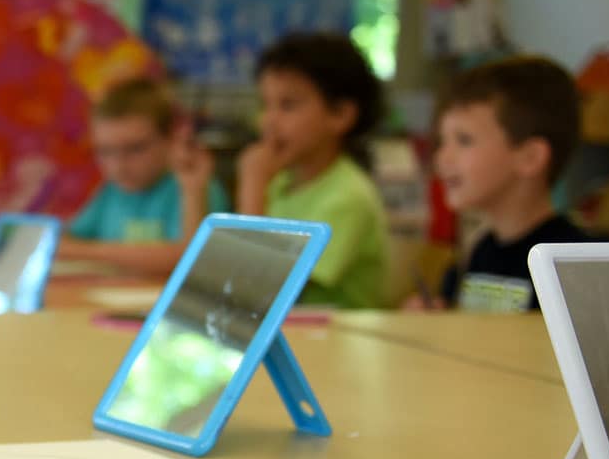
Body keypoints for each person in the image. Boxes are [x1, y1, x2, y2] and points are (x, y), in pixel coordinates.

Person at [415, 56, 597, 311]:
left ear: (530, 157)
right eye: (443, 141)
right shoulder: (480, 252)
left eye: (464, 140)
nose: (442, 157)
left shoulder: (574, 263)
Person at [236, 32, 389, 309]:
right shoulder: (279, 183)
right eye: (265, 105)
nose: (269, 121)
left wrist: (252, 184)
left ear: (340, 115)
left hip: (339, 344)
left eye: (288, 105)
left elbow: (259, 286)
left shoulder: (347, 197)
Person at [60, 78, 230, 277]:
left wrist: (86, 252)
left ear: (171, 139)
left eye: (135, 148)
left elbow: (187, 258)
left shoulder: (196, 187)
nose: (118, 165)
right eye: (105, 151)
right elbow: (67, 239)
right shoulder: (112, 191)